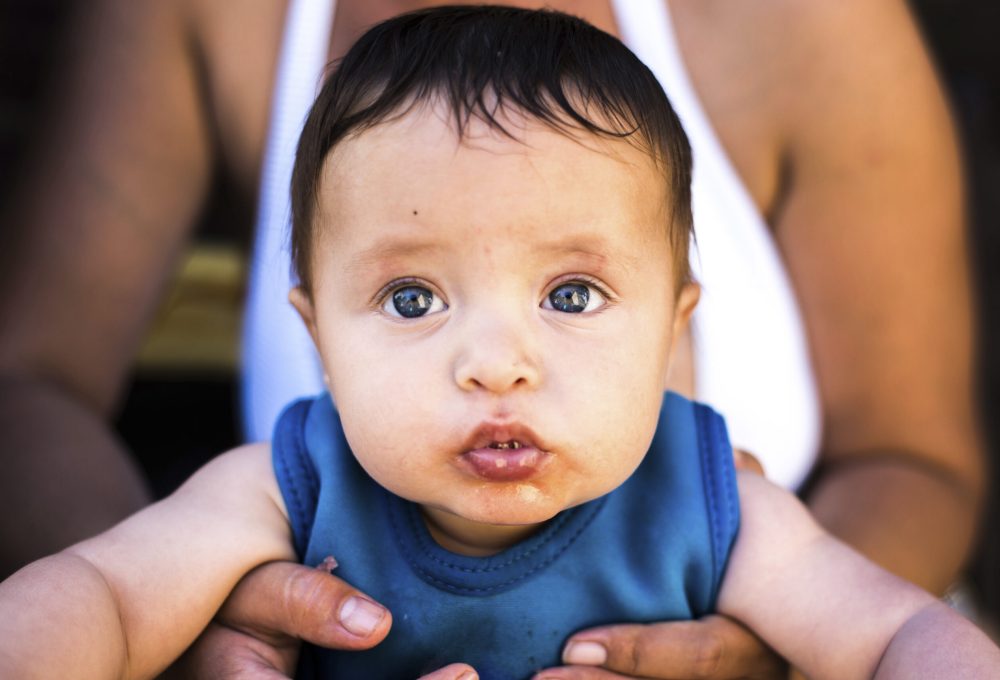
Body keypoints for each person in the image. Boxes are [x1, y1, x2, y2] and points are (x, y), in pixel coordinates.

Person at [1, 9, 997, 680]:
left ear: (672, 327)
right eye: (409, 297)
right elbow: (102, 593)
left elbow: (896, 635)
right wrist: (169, 639)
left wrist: (790, 655)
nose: (495, 361)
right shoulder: (287, 484)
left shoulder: (704, 503)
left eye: (570, 292)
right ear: (319, 341)